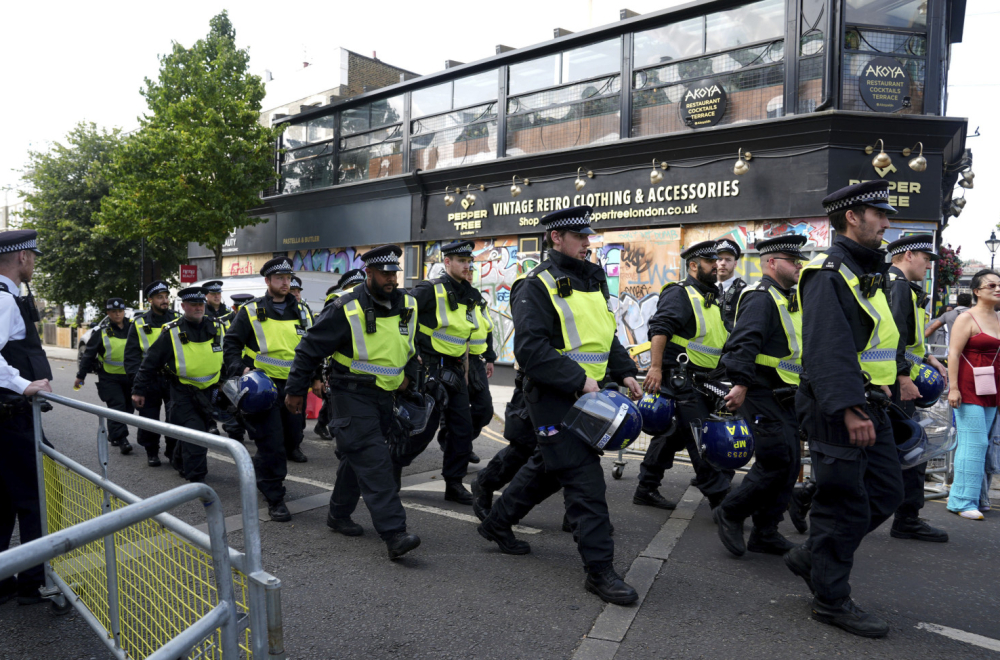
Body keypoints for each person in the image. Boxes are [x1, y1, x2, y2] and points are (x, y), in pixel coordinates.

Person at [477, 206, 642, 605]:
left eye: (588, 236)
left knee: (551, 469)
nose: (588, 243)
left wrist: (625, 372)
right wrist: (578, 380)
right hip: (554, 398)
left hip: (589, 396)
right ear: (556, 238)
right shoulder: (535, 285)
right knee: (585, 482)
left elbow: (607, 337)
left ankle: (498, 522)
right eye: (580, 237)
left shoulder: (593, 280)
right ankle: (600, 572)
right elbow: (530, 349)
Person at [784, 180, 905, 638]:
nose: (888, 222)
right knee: (843, 504)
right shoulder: (828, 272)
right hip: (840, 407)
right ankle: (830, 600)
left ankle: (813, 555)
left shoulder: (862, 269)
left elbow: (874, 339)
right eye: (880, 214)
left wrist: (894, 382)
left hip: (870, 401)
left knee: (886, 491)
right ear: (853, 216)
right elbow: (826, 349)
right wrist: (850, 408)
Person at [284, 246, 422, 559]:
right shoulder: (346, 307)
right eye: (384, 274)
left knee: (356, 457)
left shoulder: (409, 305)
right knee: (375, 462)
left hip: (385, 397)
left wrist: (410, 380)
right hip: (350, 395)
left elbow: (412, 348)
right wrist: (295, 390)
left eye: (393, 274)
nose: (390, 279)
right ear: (369, 273)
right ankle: (395, 533)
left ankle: (338, 514)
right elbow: (309, 348)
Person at [712, 234, 807, 558]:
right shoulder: (761, 296)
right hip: (760, 389)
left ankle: (766, 531)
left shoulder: (787, 297)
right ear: (772, 263)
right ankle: (731, 511)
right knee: (775, 459)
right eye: (792, 260)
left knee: (790, 461)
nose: (798, 266)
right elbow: (744, 342)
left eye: (799, 261)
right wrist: (739, 383)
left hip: (786, 392)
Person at [636, 241, 733, 510]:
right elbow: (659, 330)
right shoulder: (680, 293)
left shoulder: (711, 297)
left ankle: (646, 487)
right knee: (700, 436)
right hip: (681, 377)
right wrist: (654, 368)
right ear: (693, 265)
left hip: (705, 379)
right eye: (710, 261)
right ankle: (720, 499)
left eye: (719, 260)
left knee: (673, 434)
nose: (717, 265)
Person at [224, 257, 311, 521]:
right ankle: (275, 497)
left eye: (288, 278)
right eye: (279, 279)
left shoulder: (303, 310)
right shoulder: (250, 311)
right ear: (268, 281)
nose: (286, 283)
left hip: (294, 386)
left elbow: (311, 346)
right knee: (271, 443)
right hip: (263, 387)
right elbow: (231, 344)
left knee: (292, 439)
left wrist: (316, 376)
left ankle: (263, 471)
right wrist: (241, 370)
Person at [409, 240, 494, 504]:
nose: (467, 265)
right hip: (430, 367)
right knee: (423, 428)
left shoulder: (469, 294)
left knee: (461, 428)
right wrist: (413, 353)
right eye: (461, 261)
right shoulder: (429, 290)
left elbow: (472, 333)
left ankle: (454, 484)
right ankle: (390, 469)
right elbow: (403, 316)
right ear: (447, 263)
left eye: (469, 261)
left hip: (456, 368)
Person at [884, 235, 949, 542]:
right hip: (896, 383)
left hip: (896, 379)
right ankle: (907, 518)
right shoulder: (897, 286)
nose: (928, 265)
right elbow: (893, 336)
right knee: (912, 447)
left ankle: (813, 495)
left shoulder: (904, 287)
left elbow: (909, 340)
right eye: (925, 258)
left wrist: (930, 358)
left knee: (892, 449)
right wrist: (902, 377)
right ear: (908, 255)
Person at [0, 229, 52, 606]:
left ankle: (4, 579)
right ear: (21, 258)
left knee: (3, 503)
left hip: (6, 419)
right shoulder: (3, 300)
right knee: (37, 498)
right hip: (11, 418)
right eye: (32, 256)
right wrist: (23, 385)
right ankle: (33, 583)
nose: (33, 262)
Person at [132, 287, 227, 485]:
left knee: (195, 432)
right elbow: (151, 362)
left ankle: (178, 458)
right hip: (183, 392)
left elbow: (227, 357)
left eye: (201, 304)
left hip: (210, 392)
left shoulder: (218, 327)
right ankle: (197, 479)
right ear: (183, 306)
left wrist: (228, 382)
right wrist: (139, 390)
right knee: (196, 435)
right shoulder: (172, 331)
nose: (198, 308)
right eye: (193, 305)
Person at [946, 269, 1000, 520]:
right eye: (991, 285)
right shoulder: (966, 318)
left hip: (992, 388)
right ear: (977, 291)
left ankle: (974, 497)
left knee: (984, 443)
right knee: (973, 442)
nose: (997, 289)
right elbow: (953, 354)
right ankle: (961, 500)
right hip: (968, 387)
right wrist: (953, 388)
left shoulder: (998, 318)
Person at [125, 281, 180, 466]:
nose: (164, 301)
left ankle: (173, 451)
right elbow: (131, 357)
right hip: (149, 380)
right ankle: (151, 451)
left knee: (175, 417)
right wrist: (137, 384)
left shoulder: (178, 320)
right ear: (150, 300)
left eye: (166, 297)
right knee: (149, 418)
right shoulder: (139, 323)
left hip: (173, 378)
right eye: (160, 297)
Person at [75, 298, 135, 455]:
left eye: (120, 311)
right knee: (118, 406)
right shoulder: (101, 332)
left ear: (124, 312)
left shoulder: (134, 329)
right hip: (110, 377)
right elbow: (88, 355)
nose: (117, 314)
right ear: (108, 313)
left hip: (131, 377)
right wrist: (81, 376)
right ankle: (122, 439)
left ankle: (114, 434)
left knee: (128, 409)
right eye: (113, 311)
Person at [314, 269, 366, 440]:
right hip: (336, 366)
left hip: (362, 373)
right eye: (354, 285)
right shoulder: (338, 305)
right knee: (332, 401)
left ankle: (325, 426)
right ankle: (325, 426)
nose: (359, 288)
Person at [716, 238, 747, 331]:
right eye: (719, 259)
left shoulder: (744, 292)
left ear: (735, 264)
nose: (723, 263)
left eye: (728, 260)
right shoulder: (705, 289)